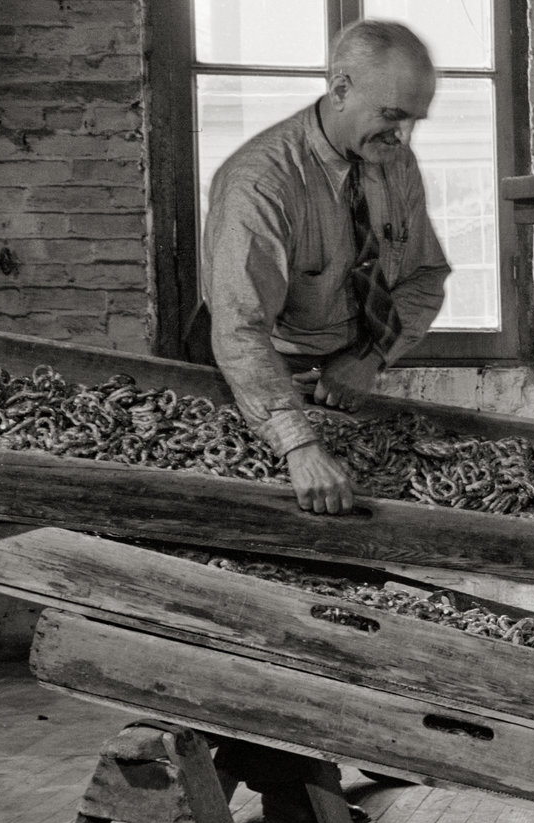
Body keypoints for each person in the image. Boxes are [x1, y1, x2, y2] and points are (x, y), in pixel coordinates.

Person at [201, 18, 451, 516]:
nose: (403, 135)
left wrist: (369, 356)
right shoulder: (260, 184)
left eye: (415, 120)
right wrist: (299, 447)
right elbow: (239, 330)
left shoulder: (396, 163)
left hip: (343, 380)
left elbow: (424, 278)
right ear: (340, 88)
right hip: (252, 383)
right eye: (392, 114)